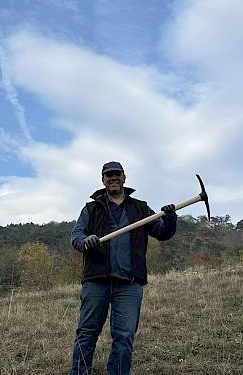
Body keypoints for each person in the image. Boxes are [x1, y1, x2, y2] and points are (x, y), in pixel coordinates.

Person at [68, 161, 178, 375]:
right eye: (108, 175)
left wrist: (170, 218)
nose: (113, 178)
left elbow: (162, 232)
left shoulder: (140, 208)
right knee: (87, 333)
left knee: (124, 336)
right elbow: (76, 236)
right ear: (103, 180)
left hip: (129, 284)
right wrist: (85, 241)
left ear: (124, 178)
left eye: (117, 174)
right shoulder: (91, 208)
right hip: (96, 282)